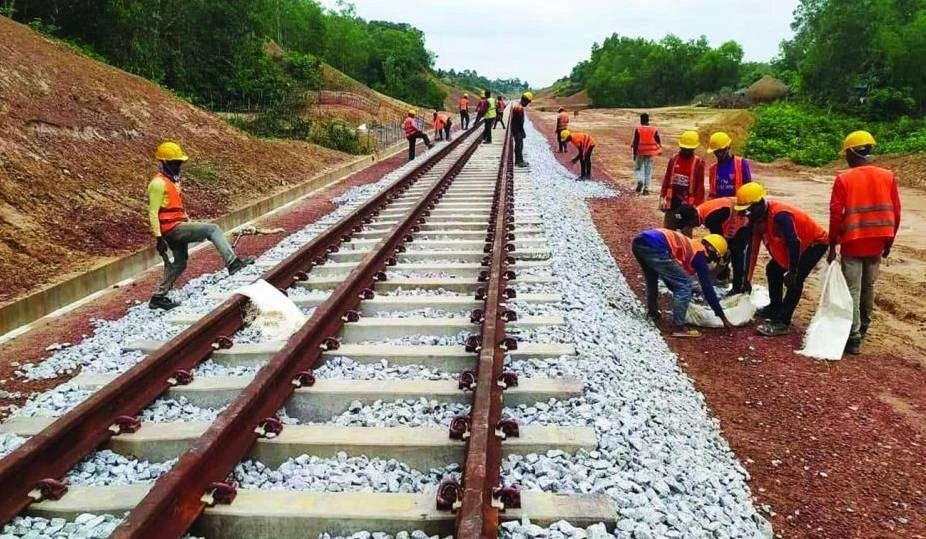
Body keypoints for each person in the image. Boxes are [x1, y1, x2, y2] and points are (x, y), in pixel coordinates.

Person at [147, 142, 254, 311]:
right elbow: (153, 212)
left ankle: (158, 297)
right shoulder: (158, 184)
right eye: (175, 163)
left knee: (181, 263)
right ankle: (233, 264)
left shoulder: (173, 181)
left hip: (178, 225)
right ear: (165, 162)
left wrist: (188, 221)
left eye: (179, 162)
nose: (178, 166)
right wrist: (159, 238)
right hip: (172, 229)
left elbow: (177, 207)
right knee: (213, 229)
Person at [827, 130, 902, 355]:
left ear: (851, 153)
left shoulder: (844, 178)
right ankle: (865, 327)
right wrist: (889, 241)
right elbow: (896, 212)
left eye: (845, 154)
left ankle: (853, 336)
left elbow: (835, 214)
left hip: (853, 241)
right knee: (868, 287)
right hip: (878, 241)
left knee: (853, 288)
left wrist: (833, 245)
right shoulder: (887, 176)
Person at [735, 183, 828, 337]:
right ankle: (775, 307)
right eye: (744, 212)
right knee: (772, 269)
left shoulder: (780, 215)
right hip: (794, 245)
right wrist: (747, 279)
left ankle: (782, 322)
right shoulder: (757, 219)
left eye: (749, 210)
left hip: (814, 243)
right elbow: (753, 250)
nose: (747, 215)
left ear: (759, 204)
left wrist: (792, 270)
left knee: (795, 281)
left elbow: (794, 241)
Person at [631, 228, 735, 337]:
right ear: (711, 248)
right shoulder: (699, 256)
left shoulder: (693, 245)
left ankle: (653, 312)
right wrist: (722, 317)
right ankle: (679, 328)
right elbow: (707, 289)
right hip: (656, 246)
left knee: (651, 278)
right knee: (684, 286)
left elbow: (670, 277)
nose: (713, 260)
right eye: (716, 256)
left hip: (639, 242)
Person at [698, 193, 753, 293]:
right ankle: (723, 276)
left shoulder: (711, 217)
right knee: (724, 252)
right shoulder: (707, 212)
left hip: (743, 225)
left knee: (737, 254)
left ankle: (738, 287)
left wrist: (724, 252)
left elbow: (719, 239)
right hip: (732, 224)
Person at [660, 130, 705, 229]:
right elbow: (667, 179)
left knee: (686, 234)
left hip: (688, 205)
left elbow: (700, 186)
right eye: (684, 148)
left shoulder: (698, 163)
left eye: (689, 149)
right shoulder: (673, 159)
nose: (686, 151)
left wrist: (698, 206)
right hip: (672, 203)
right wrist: (662, 197)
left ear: (694, 148)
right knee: (669, 231)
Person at [707, 132, 752, 199]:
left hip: (737, 205)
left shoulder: (742, 163)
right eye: (716, 151)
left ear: (728, 148)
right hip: (719, 206)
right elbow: (712, 193)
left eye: (721, 151)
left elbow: (748, 188)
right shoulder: (713, 169)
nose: (719, 154)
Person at [631, 113, 662, 195]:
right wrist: (658, 150)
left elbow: (636, 142)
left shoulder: (638, 129)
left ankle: (640, 181)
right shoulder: (654, 129)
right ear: (648, 120)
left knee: (638, 168)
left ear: (641, 120)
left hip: (640, 152)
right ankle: (646, 189)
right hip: (650, 152)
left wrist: (634, 154)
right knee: (648, 171)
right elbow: (658, 141)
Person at [510, 91, 533, 167]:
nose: (527, 104)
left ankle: (519, 160)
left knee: (519, 145)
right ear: (525, 100)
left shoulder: (518, 106)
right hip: (517, 130)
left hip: (515, 129)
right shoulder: (519, 108)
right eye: (527, 102)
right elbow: (519, 123)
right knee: (519, 146)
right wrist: (522, 132)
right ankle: (519, 162)